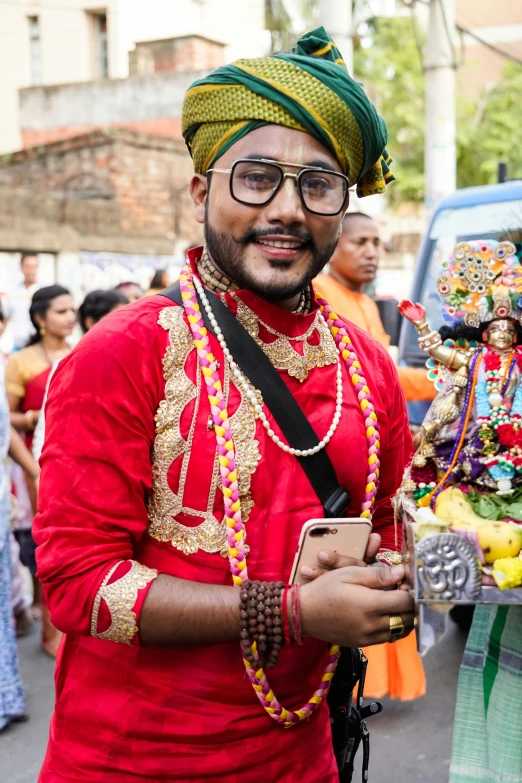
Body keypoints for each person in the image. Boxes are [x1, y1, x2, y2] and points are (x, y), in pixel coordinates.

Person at [34, 28, 415, 782]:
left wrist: (405, 576)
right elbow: (79, 586)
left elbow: (381, 534)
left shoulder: (367, 366)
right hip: (126, 761)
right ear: (201, 190)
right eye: (256, 178)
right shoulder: (126, 350)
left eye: (318, 185)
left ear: (341, 207)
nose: (288, 209)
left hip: (301, 756)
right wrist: (294, 612)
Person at [5, 285, 75, 657]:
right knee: (44, 539)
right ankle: (49, 631)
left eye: (72, 310)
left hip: (72, 456)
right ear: (39, 318)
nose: (70, 317)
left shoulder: (82, 352)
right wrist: (36, 417)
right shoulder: (23, 360)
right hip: (33, 458)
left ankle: (66, 623)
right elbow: (7, 416)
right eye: (61, 311)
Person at [316, 212, 435, 402]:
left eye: (376, 243)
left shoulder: (369, 304)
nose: (371, 253)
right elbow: (373, 375)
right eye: (360, 242)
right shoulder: (318, 293)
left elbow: (384, 373)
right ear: (330, 248)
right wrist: (440, 383)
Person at [32, 288, 130, 462]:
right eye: (62, 311)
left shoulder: (131, 365)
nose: (127, 326)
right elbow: (46, 431)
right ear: (91, 322)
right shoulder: (70, 363)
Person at [6, 253, 40, 351]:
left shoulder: (43, 291)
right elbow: (5, 319)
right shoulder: (13, 292)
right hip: (17, 346)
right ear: (21, 268)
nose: (30, 270)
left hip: (38, 345)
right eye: (27, 266)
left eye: (34, 266)